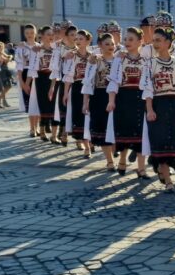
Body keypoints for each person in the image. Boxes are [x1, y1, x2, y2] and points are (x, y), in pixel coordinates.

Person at [142, 27, 175, 192]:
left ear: (168, 42)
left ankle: (164, 170)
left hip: (174, 104)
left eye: (159, 40)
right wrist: (150, 109)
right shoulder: (150, 63)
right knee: (160, 141)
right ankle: (168, 180)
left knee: (173, 140)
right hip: (158, 104)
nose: (155, 43)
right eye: (154, 40)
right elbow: (147, 88)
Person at [107, 27, 150, 178]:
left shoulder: (146, 60)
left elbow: (149, 83)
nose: (127, 42)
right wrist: (111, 101)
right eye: (125, 39)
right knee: (124, 131)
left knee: (141, 133)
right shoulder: (120, 58)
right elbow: (113, 81)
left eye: (131, 39)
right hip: (124, 98)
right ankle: (123, 160)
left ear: (140, 41)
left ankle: (141, 168)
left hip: (141, 99)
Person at [82, 33, 117, 169]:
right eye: (107, 44)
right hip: (99, 97)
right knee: (102, 129)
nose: (111, 46)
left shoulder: (119, 60)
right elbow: (88, 83)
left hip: (117, 97)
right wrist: (85, 102)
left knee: (115, 128)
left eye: (112, 44)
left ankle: (115, 151)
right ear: (100, 46)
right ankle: (109, 161)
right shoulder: (95, 61)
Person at [63, 30, 94, 158]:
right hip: (77, 88)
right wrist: (65, 93)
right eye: (77, 39)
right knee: (80, 117)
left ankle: (91, 141)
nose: (78, 41)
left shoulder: (93, 56)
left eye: (81, 39)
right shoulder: (72, 56)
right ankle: (86, 146)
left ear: (88, 41)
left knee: (91, 117)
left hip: (91, 89)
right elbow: (69, 77)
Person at [50, 26, 78, 146]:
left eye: (76, 35)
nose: (75, 37)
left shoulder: (79, 49)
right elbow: (55, 67)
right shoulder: (60, 49)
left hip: (76, 83)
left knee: (75, 110)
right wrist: (63, 57)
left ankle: (77, 139)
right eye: (72, 34)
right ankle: (61, 134)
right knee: (63, 108)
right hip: (62, 82)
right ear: (66, 36)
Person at [27, 28, 56, 139]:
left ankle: (53, 131)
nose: (51, 36)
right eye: (48, 34)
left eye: (52, 34)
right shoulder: (36, 49)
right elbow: (32, 68)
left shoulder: (56, 49)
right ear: (42, 36)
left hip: (53, 78)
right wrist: (27, 83)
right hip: (41, 78)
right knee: (42, 104)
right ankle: (42, 130)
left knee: (52, 104)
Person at [17, 25, 40, 137]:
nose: (30, 35)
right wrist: (22, 82)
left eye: (32, 32)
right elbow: (19, 65)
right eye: (27, 33)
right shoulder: (21, 47)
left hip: (38, 75)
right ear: (24, 34)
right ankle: (32, 128)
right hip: (26, 74)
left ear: (35, 33)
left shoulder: (40, 47)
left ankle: (37, 127)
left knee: (38, 102)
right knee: (30, 103)